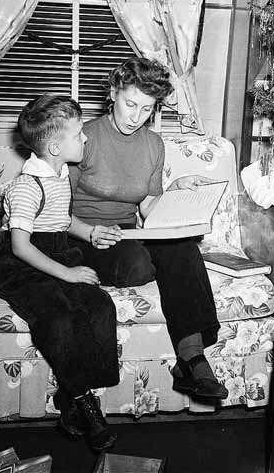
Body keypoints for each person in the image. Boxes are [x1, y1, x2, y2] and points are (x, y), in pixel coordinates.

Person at [70, 57, 228, 401]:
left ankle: (191, 359)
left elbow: (147, 207)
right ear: (112, 93)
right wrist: (89, 233)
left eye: (146, 108)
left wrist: (178, 191)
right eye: (130, 104)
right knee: (139, 264)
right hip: (82, 235)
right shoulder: (83, 138)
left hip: (127, 231)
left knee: (183, 247)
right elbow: (53, 209)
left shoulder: (153, 145)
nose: (136, 116)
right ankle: (190, 356)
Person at [0, 94, 123, 452]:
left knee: (99, 306)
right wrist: (66, 275)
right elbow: (20, 246)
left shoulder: (60, 173)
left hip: (57, 253)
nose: (85, 138)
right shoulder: (26, 187)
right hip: (21, 267)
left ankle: (72, 392)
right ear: (53, 146)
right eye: (79, 133)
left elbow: (60, 220)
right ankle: (83, 403)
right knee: (58, 319)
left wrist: (90, 232)